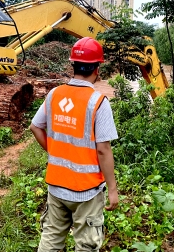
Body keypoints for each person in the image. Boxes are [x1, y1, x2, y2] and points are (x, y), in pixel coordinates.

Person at [30, 37, 119, 252]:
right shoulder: (98, 102)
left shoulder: (54, 94)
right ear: (97, 68)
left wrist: (56, 152)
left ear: (73, 65)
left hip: (56, 185)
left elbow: (35, 126)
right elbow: (103, 149)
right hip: (86, 191)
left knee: (51, 239)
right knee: (86, 245)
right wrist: (113, 190)